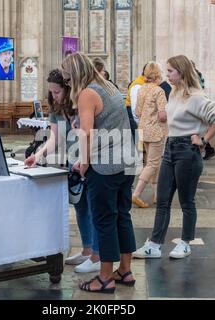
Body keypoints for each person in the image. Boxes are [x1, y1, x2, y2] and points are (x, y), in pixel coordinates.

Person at [134, 55, 215, 260]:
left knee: (186, 201)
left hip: (187, 150)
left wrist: (203, 139)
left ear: (181, 72)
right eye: (166, 71)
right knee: (163, 200)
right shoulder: (175, 93)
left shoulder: (196, 96)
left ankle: (185, 243)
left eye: (170, 71)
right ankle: (154, 245)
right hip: (170, 148)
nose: (166, 75)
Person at [62, 52, 136, 294]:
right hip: (127, 162)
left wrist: (82, 163)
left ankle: (105, 278)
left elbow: (87, 133)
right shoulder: (110, 87)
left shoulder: (87, 93)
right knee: (122, 216)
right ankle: (124, 270)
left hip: (106, 167)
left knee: (103, 219)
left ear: (75, 75)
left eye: (68, 79)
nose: (68, 84)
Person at [25, 69, 101, 274]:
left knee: (95, 208)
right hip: (72, 162)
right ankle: (86, 250)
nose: (54, 96)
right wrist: (38, 155)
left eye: (57, 92)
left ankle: (98, 255)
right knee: (80, 207)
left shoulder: (81, 103)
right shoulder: (57, 109)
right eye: (51, 92)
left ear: (68, 88)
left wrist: (84, 159)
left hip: (89, 160)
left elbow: (89, 133)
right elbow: (55, 138)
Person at [132, 62, 168, 208]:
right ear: (158, 75)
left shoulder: (141, 89)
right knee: (153, 163)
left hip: (143, 130)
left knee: (153, 163)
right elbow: (162, 115)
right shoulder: (159, 91)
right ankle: (136, 194)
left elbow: (137, 112)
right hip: (156, 131)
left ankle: (156, 195)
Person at [192, 61, 215, 160]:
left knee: (196, 129)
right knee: (198, 129)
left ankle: (208, 149)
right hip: (199, 102)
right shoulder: (198, 74)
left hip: (196, 103)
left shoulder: (194, 76)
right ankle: (208, 149)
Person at [126, 65, 148, 136]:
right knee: (139, 146)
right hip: (136, 125)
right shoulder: (137, 86)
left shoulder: (143, 83)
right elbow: (136, 112)